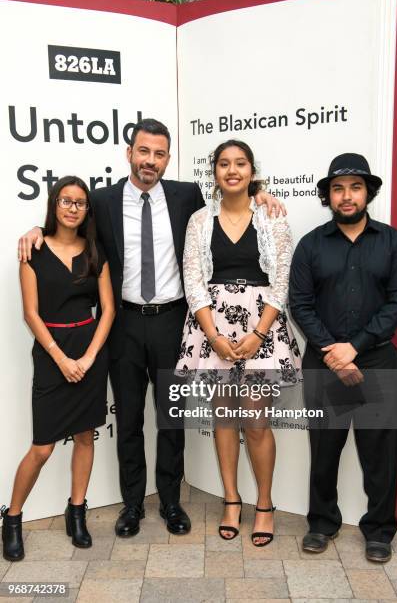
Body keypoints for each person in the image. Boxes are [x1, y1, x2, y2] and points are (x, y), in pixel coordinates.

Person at [17, 119, 285, 538]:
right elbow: (67, 226)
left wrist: (261, 195)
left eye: (159, 154)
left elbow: (230, 201)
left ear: (168, 159)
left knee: (172, 417)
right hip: (121, 323)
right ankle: (132, 505)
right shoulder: (102, 201)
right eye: (144, 152)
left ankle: (171, 501)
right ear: (129, 153)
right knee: (128, 418)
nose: (150, 161)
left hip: (174, 322)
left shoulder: (186, 196)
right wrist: (37, 228)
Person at [177, 139, 301, 546]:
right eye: (224, 164)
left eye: (241, 163)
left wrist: (260, 333)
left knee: (257, 420)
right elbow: (193, 280)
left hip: (260, 327)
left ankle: (264, 504)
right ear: (214, 172)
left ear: (251, 170)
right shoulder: (198, 220)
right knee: (224, 418)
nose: (232, 170)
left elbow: (281, 281)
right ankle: (232, 500)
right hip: (211, 327)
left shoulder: (273, 216)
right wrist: (212, 335)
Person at [289, 153, 397, 563]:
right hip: (325, 363)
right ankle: (322, 524)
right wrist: (334, 353)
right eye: (338, 188)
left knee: (381, 454)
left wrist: (354, 347)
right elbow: (300, 305)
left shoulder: (393, 242)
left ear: (368, 192)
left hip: (376, 361)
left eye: (355, 187)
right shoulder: (310, 245)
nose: (346, 196)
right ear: (328, 195)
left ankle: (378, 530)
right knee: (325, 451)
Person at [1, 176, 115, 562]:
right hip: (52, 355)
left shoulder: (95, 252)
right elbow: (30, 314)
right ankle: (12, 518)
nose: (72, 207)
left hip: (89, 354)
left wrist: (87, 358)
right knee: (43, 446)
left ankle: (77, 512)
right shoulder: (32, 251)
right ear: (53, 205)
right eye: (65, 200)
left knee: (85, 437)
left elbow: (108, 311)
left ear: (87, 211)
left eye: (80, 202)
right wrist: (62, 359)